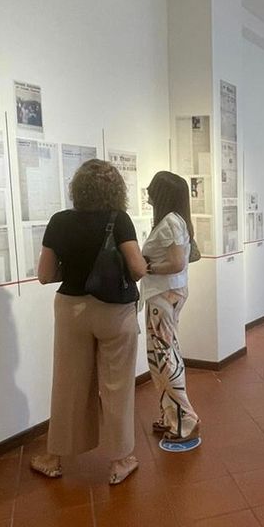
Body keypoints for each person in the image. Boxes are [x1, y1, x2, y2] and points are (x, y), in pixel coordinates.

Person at [31, 159, 147, 485]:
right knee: (117, 386)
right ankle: (120, 461)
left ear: (77, 188)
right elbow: (138, 269)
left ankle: (54, 458)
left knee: (67, 385)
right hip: (115, 312)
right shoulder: (118, 219)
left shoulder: (59, 221)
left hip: (71, 311)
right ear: (116, 190)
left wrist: (75, 271)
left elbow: (44, 275)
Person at [142, 171, 200, 443]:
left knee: (164, 357)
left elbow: (177, 262)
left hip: (163, 294)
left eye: (152, 189)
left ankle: (185, 419)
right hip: (168, 294)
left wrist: (147, 267)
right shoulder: (177, 220)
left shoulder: (169, 222)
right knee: (164, 353)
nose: (148, 194)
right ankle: (170, 415)